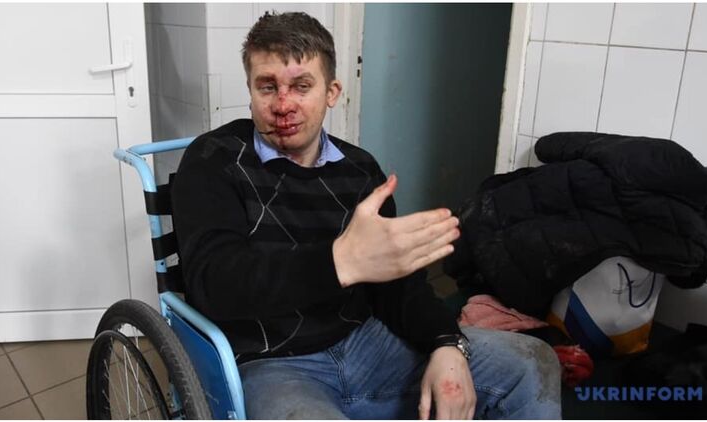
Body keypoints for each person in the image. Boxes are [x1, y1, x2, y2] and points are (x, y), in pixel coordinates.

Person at [172, 11, 561, 420]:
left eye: (302, 86)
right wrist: (340, 261)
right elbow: (214, 283)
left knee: (531, 363)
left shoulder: (358, 170)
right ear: (250, 90)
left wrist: (446, 343)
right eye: (267, 87)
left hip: (366, 345)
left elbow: (399, 286)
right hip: (272, 365)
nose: (283, 105)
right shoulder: (214, 161)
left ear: (332, 92)